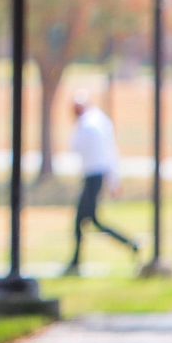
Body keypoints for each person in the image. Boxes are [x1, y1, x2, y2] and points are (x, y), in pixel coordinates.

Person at [66, 94, 139, 275]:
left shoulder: (91, 125)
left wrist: (114, 181)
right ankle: (76, 260)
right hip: (92, 175)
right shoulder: (95, 122)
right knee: (86, 220)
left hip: (94, 176)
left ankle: (130, 244)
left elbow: (106, 154)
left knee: (88, 220)